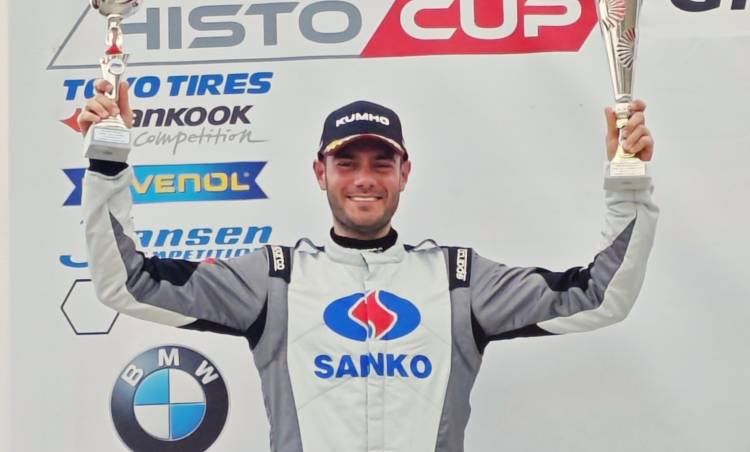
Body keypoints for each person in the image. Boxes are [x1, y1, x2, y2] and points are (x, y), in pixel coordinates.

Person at [79, 79, 658, 452]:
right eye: (346, 162)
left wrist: (627, 185)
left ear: (404, 174)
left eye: (381, 163)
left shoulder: (458, 280)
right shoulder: (274, 279)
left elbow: (599, 296)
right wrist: (107, 165)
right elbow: (128, 284)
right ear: (320, 173)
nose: (364, 179)